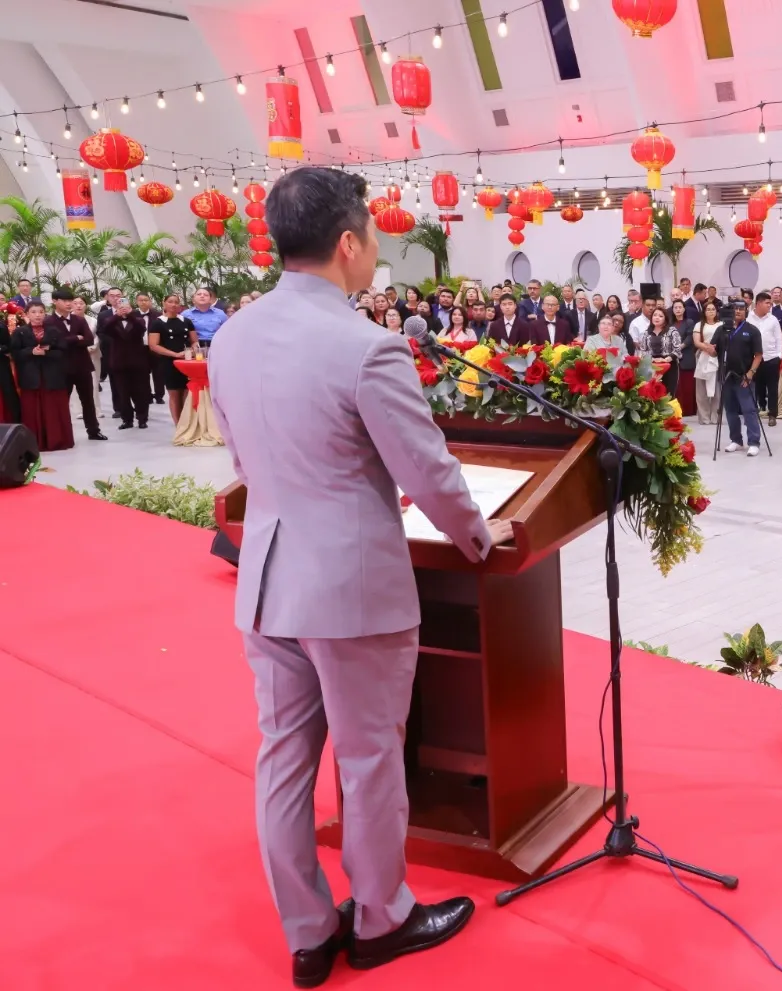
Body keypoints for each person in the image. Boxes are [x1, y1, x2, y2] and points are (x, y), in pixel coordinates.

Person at [209, 168, 503, 984]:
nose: (377, 248)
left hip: (268, 579)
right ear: (348, 243)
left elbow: (244, 461)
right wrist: (478, 537)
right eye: (373, 234)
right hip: (351, 587)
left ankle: (307, 932)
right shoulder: (366, 345)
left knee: (283, 761)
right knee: (369, 758)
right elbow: (428, 470)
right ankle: (380, 916)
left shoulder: (232, 336)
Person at [10, 301, 74, 450]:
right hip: (30, 377)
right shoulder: (20, 332)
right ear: (27, 314)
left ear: (45, 314)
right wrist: (31, 352)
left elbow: (62, 351)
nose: (37, 315)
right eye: (33, 312)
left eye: (40, 312)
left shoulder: (54, 330)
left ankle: (57, 440)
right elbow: (15, 353)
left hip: (52, 376)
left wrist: (46, 353)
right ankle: (34, 443)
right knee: (31, 411)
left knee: (53, 410)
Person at [47, 293, 104, 441]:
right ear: (54, 301)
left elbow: (89, 339)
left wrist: (66, 341)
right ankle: (62, 433)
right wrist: (75, 338)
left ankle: (93, 430)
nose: (68, 304)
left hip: (82, 365)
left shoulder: (79, 320)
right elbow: (53, 343)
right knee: (62, 402)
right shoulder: (48, 321)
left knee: (88, 401)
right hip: (61, 368)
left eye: (70, 300)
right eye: (64, 300)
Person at [714, 300, 763, 456]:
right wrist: (706, 347)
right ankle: (736, 440)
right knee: (730, 410)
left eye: (742, 308)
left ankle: (754, 442)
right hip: (726, 376)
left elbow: (758, 355)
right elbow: (714, 351)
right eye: (735, 308)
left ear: (746, 311)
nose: (738, 311)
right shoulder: (722, 330)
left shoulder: (752, 330)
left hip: (744, 377)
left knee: (749, 410)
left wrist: (751, 373)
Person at [146, 294, 196, 425]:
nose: (173, 305)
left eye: (176, 302)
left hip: (187, 362)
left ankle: (187, 424)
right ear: (164, 303)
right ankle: (178, 425)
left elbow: (194, 341)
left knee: (187, 393)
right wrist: (175, 354)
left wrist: (192, 350)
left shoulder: (186, 321)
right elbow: (153, 345)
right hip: (169, 362)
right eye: (170, 302)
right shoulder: (158, 323)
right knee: (174, 394)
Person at [106, 298, 152, 429]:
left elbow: (141, 329)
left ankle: (142, 419)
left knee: (141, 392)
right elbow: (105, 329)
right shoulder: (112, 321)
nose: (123, 309)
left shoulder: (138, 320)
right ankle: (127, 420)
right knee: (123, 393)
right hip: (119, 362)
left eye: (125, 306)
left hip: (138, 362)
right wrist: (117, 316)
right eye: (120, 307)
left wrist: (130, 315)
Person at [748, 292, 782, 426]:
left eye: (771, 303)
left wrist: (779, 356)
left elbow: (779, 339)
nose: (770, 305)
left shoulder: (773, 319)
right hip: (753, 359)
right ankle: (758, 409)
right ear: (758, 303)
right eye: (767, 303)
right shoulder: (748, 318)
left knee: (773, 388)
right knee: (757, 386)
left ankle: (772, 414)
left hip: (771, 357)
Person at [690, 302, 724, 425]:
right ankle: (704, 417)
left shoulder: (721, 325)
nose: (711, 311)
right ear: (704, 312)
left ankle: (716, 417)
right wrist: (708, 348)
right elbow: (696, 342)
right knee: (701, 390)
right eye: (708, 309)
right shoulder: (699, 325)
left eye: (713, 309)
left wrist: (715, 350)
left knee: (717, 389)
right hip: (702, 357)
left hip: (717, 357)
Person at [644, 307, 683, 394]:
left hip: (670, 366)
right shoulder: (647, 333)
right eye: (655, 315)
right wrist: (652, 359)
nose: (657, 318)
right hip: (652, 367)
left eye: (660, 316)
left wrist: (665, 360)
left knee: (669, 394)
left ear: (665, 319)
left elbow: (677, 350)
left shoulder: (672, 331)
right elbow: (643, 350)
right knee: (653, 394)